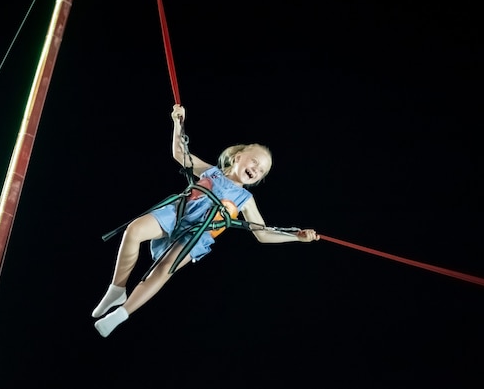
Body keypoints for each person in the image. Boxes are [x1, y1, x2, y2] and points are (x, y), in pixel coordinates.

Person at [92, 104, 320, 337]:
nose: (256, 169)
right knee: (134, 230)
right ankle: (117, 288)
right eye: (254, 162)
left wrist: (295, 237)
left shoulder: (245, 199)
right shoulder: (211, 171)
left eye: (261, 171)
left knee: (165, 268)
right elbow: (180, 154)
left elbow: (262, 234)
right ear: (237, 157)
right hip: (177, 213)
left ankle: (121, 313)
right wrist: (178, 123)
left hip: (197, 235)